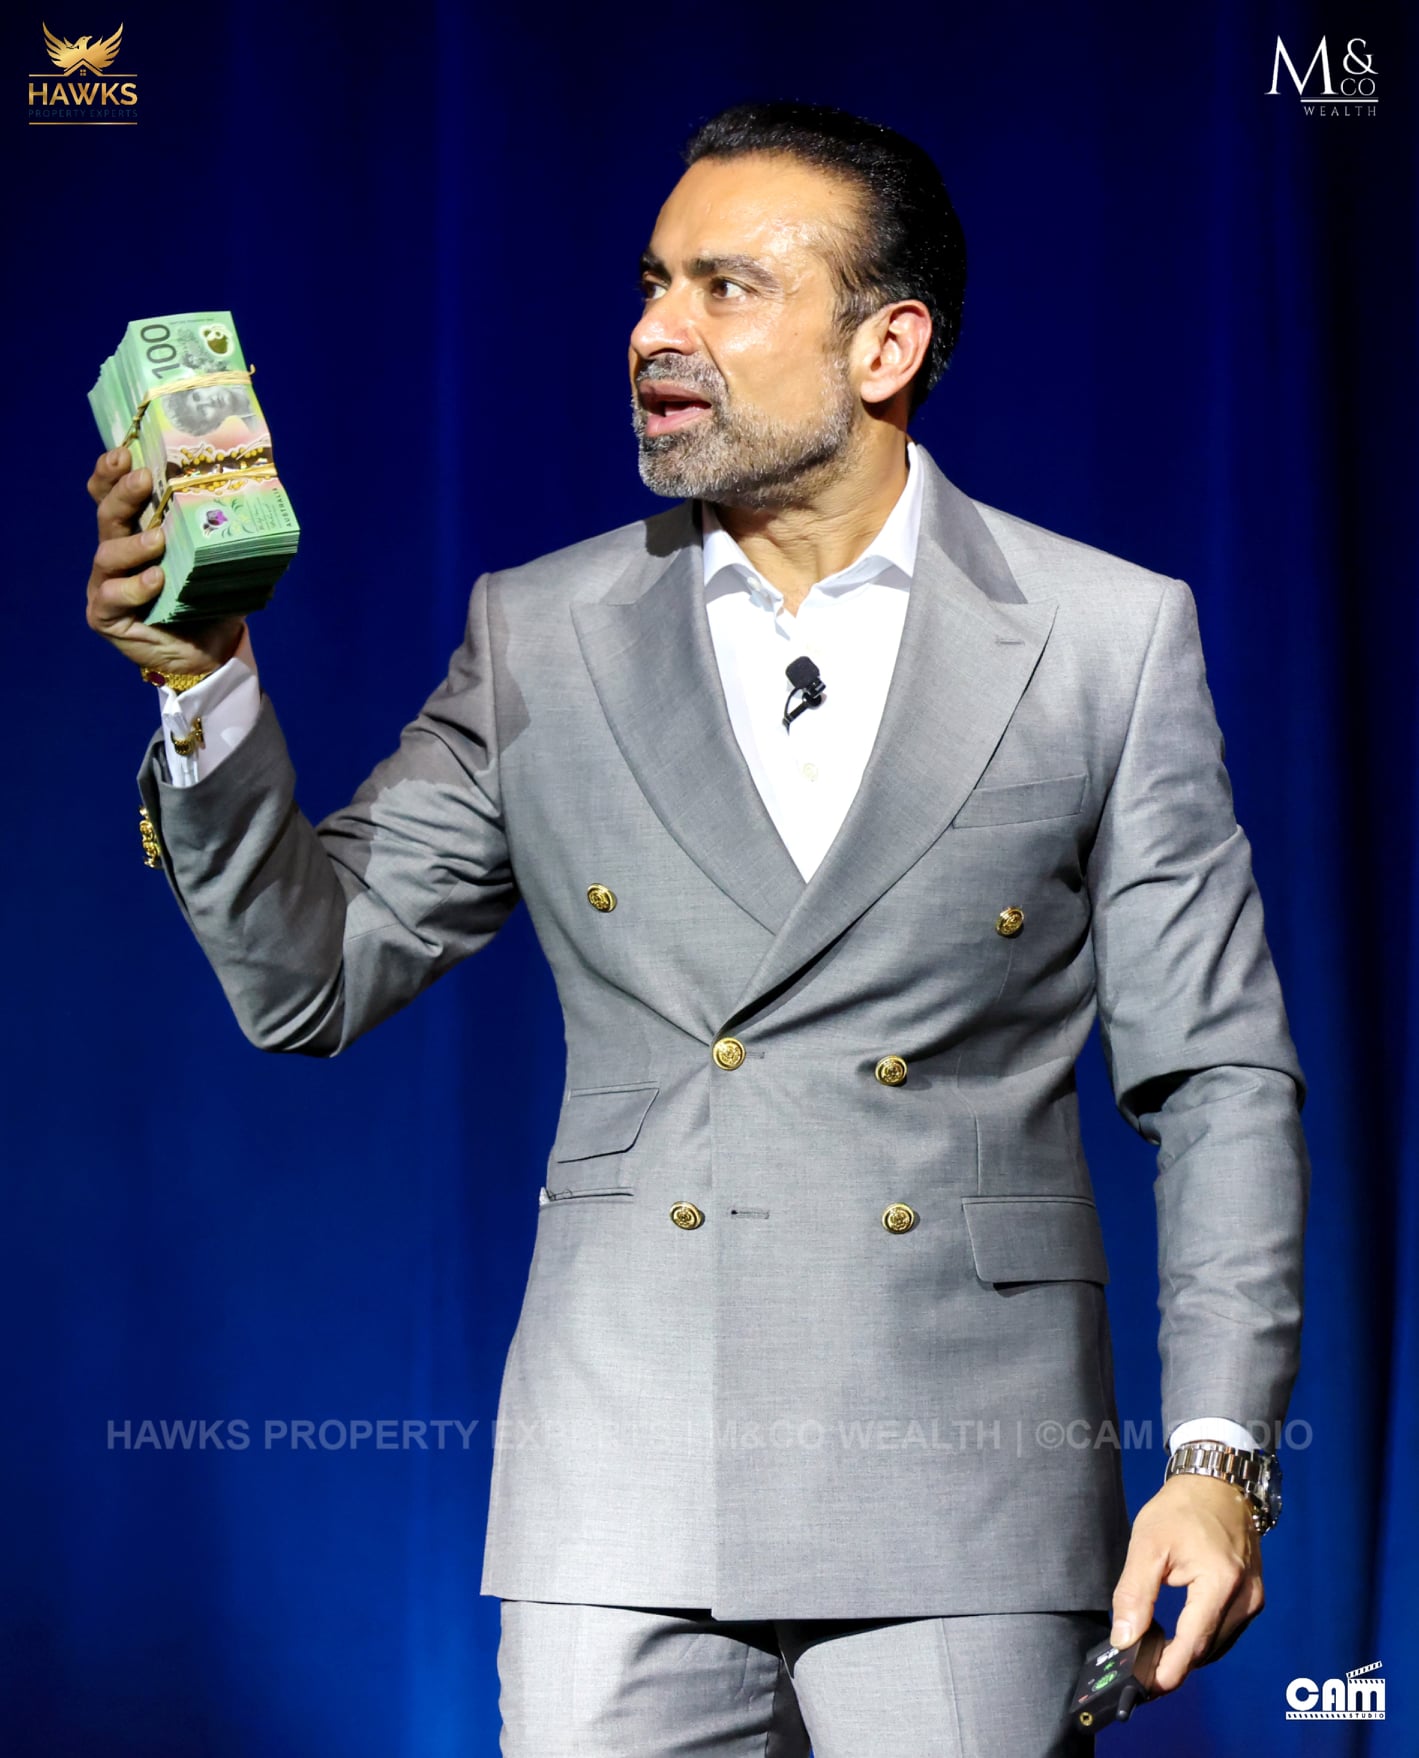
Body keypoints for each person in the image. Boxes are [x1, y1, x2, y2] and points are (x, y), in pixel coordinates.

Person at [84, 101, 1309, 1758]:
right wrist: (204, 680)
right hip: (620, 1498)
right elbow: (313, 972)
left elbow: (1221, 1076)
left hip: (965, 1494)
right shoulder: (541, 633)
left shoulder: (1104, 639)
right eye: (653, 284)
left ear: (888, 346)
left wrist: (1218, 1459)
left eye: (727, 289)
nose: (656, 331)